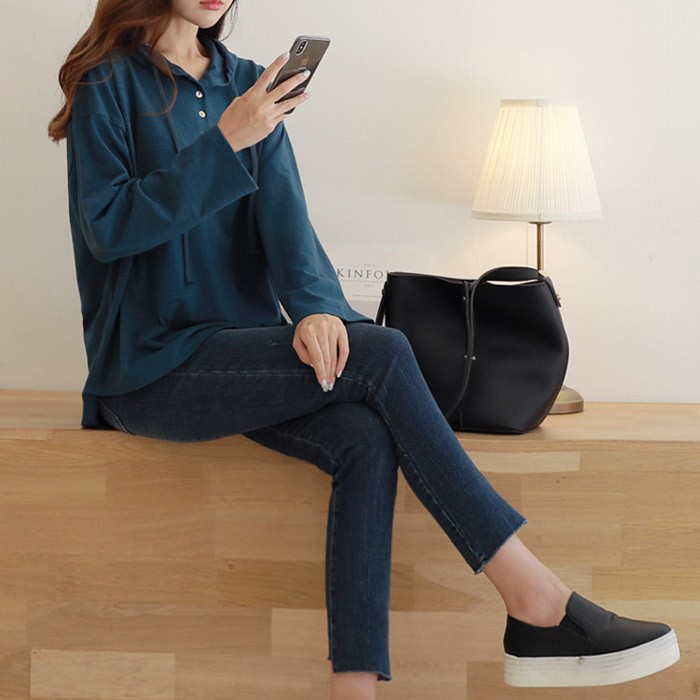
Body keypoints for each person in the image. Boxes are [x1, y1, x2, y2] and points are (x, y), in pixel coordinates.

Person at [48, 1, 680, 697]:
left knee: (363, 436)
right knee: (383, 352)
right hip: (148, 368)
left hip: (241, 354)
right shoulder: (107, 81)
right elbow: (109, 227)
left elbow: (287, 226)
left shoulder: (248, 84)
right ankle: (537, 600)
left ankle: (354, 689)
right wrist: (226, 141)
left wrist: (319, 310)